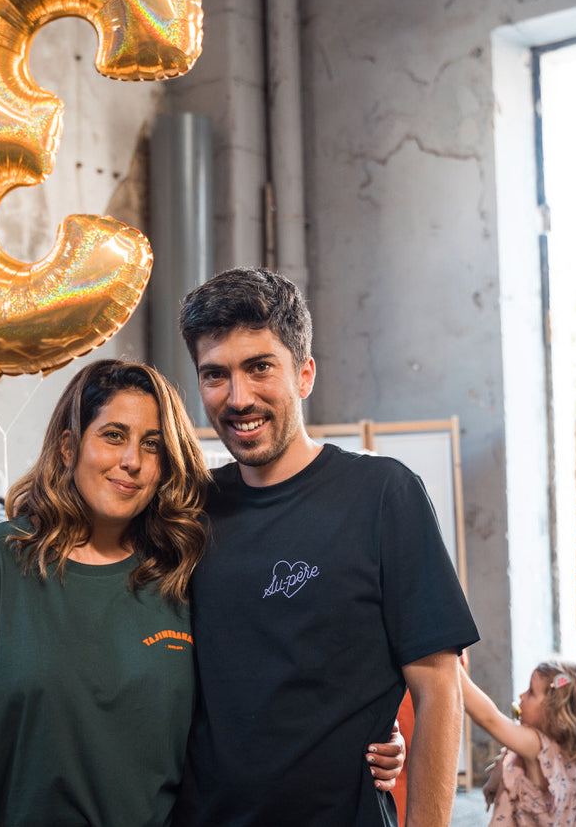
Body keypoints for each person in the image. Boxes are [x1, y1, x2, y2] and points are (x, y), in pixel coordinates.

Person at [171, 267, 481, 827]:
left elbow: (437, 689)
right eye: (215, 375)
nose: (238, 397)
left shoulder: (383, 495)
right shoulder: (190, 511)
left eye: (260, 367)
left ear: (305, 374)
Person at [0, 359, 211, 826]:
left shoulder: (182, 575)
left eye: (153, 445)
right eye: (113, 435)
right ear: (69, 447)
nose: (132, 461)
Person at [460, 657, 576, 826]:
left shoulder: (538, 746)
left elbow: (490, 719)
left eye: (531, 692)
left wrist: (452, 667)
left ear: (558, 715)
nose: (521, 695)